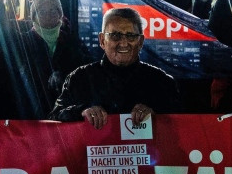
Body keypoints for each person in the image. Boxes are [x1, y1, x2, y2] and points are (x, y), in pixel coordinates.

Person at [49, 7, 180, 127]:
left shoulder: (162, 82)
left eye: (131, 36)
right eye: (115, 36)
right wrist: (81, 112)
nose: (123, 43)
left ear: (140, 42)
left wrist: (157, 115)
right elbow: (53, 118)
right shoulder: (78, 79)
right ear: (102, 40)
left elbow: (182, 125)